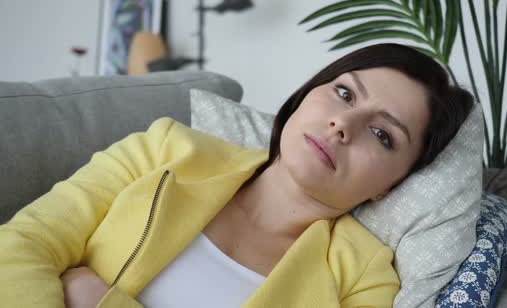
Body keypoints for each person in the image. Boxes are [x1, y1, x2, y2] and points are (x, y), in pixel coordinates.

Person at [0, 43, 474, 308]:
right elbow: (19, 247)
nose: (342, 125)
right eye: (345, 93)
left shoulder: (365, 279)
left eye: (382, 134)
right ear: (305, 96)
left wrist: (97, 301)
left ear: (391, 185)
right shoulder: (166, 148)